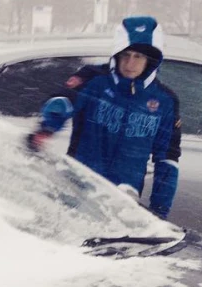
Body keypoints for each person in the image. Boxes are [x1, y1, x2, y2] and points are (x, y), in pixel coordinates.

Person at [27, 16, 182, 218]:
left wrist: (160, 211)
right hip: (76, 188)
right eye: (126, 55)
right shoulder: (94, 79)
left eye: (138, 57)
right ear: (117, 53)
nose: (130, 63)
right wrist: (46, 128)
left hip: (122, 199)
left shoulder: (165, 100)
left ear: (151, 61)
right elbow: (64, 101)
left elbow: (167, 160)